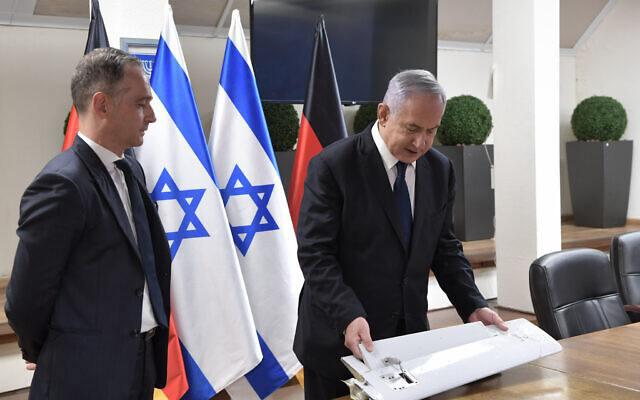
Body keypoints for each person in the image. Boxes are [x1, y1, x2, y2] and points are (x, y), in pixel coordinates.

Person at [293, 69, 508, 399]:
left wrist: (472, 304)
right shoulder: (334, 165)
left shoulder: (439, 169)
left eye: (431, 131)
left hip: (409, 341)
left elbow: (444, 248)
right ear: (383, 114)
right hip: (339, 340)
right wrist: (348, 314)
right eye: (412, 128)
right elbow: (315, 254)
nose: (421, 143)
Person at [5, 47, 171, 400]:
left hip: (138, 363)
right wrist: (53, 350)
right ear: (102, 105)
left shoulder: (131, 169)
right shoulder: (62, 184)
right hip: (82, 375)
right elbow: (25, 298)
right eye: (141, 104)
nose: (152, 116)